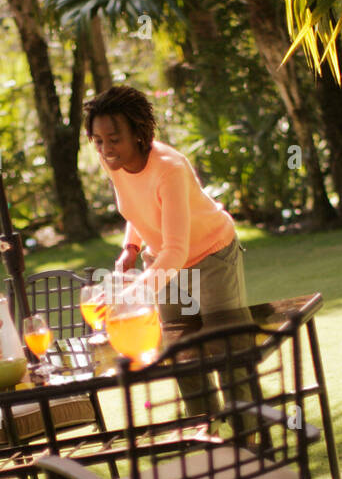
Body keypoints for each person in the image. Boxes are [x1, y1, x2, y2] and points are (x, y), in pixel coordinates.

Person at [83, 85, 247, 323]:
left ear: (137, 133)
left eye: (114, 139)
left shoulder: (169, 170)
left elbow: (176, 251)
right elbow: (138, 206)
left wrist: (128, 295)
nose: (106, 149)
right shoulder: (112, 160)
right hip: (163, 263)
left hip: (212, 257)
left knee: (227, 346)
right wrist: (131, 247)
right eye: (98, 140)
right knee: (176, 347)